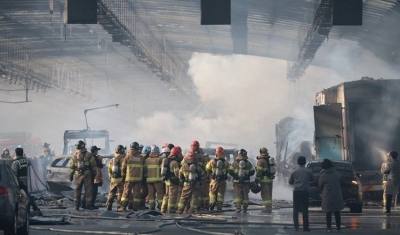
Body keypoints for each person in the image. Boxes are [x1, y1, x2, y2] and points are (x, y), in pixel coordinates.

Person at [69, 140, 97, 210]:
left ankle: (76, 205)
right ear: (84, 146)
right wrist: (94, 174)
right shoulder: (88, 154)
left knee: (77, 189)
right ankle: (88, 205)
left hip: (77, 175)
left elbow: (72, 166)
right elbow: (93, 165)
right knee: (88, 190)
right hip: (87, 174)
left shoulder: (74, 155)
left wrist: (71, 175)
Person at [119, 142, 147, 211]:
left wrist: (123, 176)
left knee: (126, 192)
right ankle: (135, 207)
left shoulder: (127, 157)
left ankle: (123, 207)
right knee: (137, 193)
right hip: (138, 179)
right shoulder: (141, 158)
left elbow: (123, 168)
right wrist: (144, 178)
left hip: (129, 179)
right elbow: (145, 169)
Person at [288, 156, 314, 232]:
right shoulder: (308, 171)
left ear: (297, 162)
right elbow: (312, 179)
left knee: (295, 209)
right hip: (305, 191)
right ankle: (305, 227)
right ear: (305, 162)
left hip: (296, 191)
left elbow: (290, 182)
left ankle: (296, 226)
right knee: (305, 209)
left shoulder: (294, 171)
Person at [318, 159, 344, 233]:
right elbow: (340, 182)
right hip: (336, 194)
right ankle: (338, 227)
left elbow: (320, 185)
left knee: (328, 212)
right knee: (337, 212)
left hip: (327, 195)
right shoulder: (336, 174)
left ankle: (329, 227)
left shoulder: (323, 175)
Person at [11, 147, 41, 212]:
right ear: (23, 153)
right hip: (25, 180)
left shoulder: (16, 162)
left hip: (18, 181)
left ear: (16, 153)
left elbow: (13, 173)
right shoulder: (26, 160)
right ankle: (30, 208)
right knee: (26, 194)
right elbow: (30, 162)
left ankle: (33, 207)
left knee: (22, 195)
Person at [228, 149, 255, 213]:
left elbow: (230, 171)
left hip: (236, 182)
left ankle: (238, 208)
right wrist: (247, 175)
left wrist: (235, 176)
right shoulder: (248, 164)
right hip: (246, 183)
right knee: (245, 195)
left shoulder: (234, 163)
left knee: (238, 195)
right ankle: (245, 208)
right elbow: (252, 172)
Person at [206, 146, 230, 211]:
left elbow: (207, 169)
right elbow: (229, 170)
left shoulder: (212, 161)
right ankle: (219, 208)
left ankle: (212, 202)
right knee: (220, 195)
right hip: (222, 181)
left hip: (214, 180)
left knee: (212, 192)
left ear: (216, 153)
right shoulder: (226, 162)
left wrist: (209, 175)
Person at [160, 146, 181, 213]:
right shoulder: (174, 162)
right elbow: (177, 174)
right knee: (172, 195)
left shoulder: (167, 160)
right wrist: (180, 180)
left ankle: (163, 208)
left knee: (166, 195)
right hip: (173, 181)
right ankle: (170, 209)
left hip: (167, 181)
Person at [255, 147, 276, 213]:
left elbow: (259, 172)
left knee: (265, 194)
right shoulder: (269, 159)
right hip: (270, 179)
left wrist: (256, 181)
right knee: (269, 194)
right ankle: (269, 207)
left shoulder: (261, 161)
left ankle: (267, 208)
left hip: (264, 181)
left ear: (261, 152)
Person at [105, 145, 125, 211]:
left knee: (111, 193)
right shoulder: (123, 159)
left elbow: (109, 170)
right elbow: (124, 169)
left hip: (113, 179)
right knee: (120, 193)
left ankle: (108, 205)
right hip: (120, 179)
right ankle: (119, 206)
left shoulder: (112, 160)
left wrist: (111, 178)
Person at [146, 145, 165, 210]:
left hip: (149, 180)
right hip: (158, 180)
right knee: (160, 194)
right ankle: (160, 206)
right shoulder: (160, 159)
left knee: (151, 194)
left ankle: (152, 207)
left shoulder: (147, 160)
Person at [138, 145, 151, 209]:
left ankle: (142, 205)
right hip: (142, 177)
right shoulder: (143, 159)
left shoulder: (141, 158)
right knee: (143, 192)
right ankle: (140, 205)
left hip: (141, 177)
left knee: (143, 192)